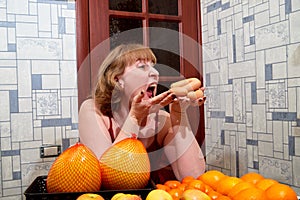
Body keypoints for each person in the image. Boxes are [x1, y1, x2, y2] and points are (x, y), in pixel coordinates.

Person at [78, 43, 206, 183]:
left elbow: (193, 176)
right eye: (142, 67)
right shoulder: (92, 111)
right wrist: (134, 118)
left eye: (153, 66)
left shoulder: (162, 121)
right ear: (117, 80)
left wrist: (178, 113)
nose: (155, 73)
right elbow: (107, 180)